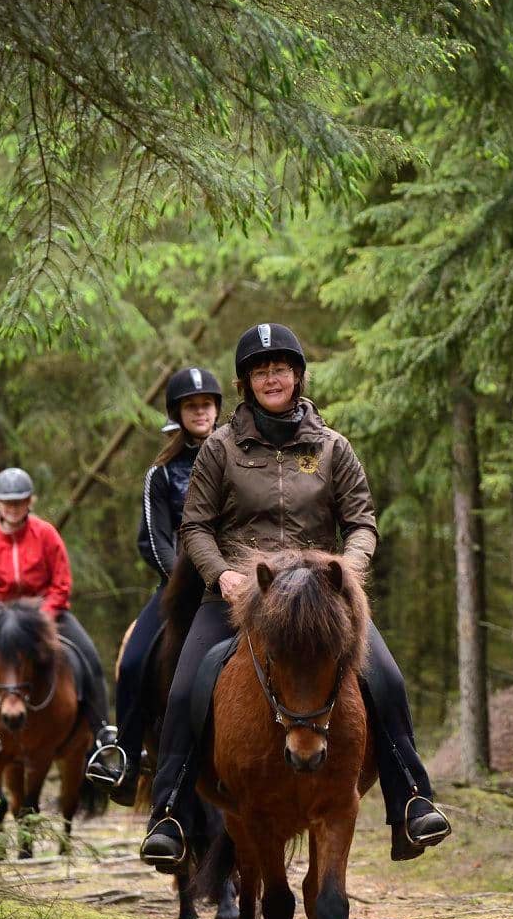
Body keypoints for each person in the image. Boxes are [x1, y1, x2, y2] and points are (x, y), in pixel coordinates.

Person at [138, 323, 452, 870]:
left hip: (320, 595)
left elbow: (362, 523)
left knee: (387, 678)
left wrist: (346, 572)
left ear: (298, 375)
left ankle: (411, 799)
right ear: (246, 384)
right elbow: (195, 528)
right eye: (260, 370)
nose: (272, 377)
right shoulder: (219, 448)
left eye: (280, 368)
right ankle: (169, 812)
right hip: (242, 591)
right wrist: (221, 576)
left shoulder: (333, 448)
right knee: (188, 685)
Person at [0, 467, 123, 785]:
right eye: (7, 503)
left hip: (44, 616)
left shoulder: (46, 534)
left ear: (30, 502)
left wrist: (43, 615)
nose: (13, 508)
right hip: (0, 618)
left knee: (87, 655)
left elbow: (61, 583)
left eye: (19, 502)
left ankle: (101, 732)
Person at [105, 365, 223, 804]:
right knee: (134, 661)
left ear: (216, 409)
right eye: (192, 406)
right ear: (178, 413)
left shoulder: (237, 458)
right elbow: (152, 538)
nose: (200, 412)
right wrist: (183, 582)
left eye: (206, 405)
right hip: (177, 588)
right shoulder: (161, 474)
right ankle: (129, 756)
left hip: (233, 585)